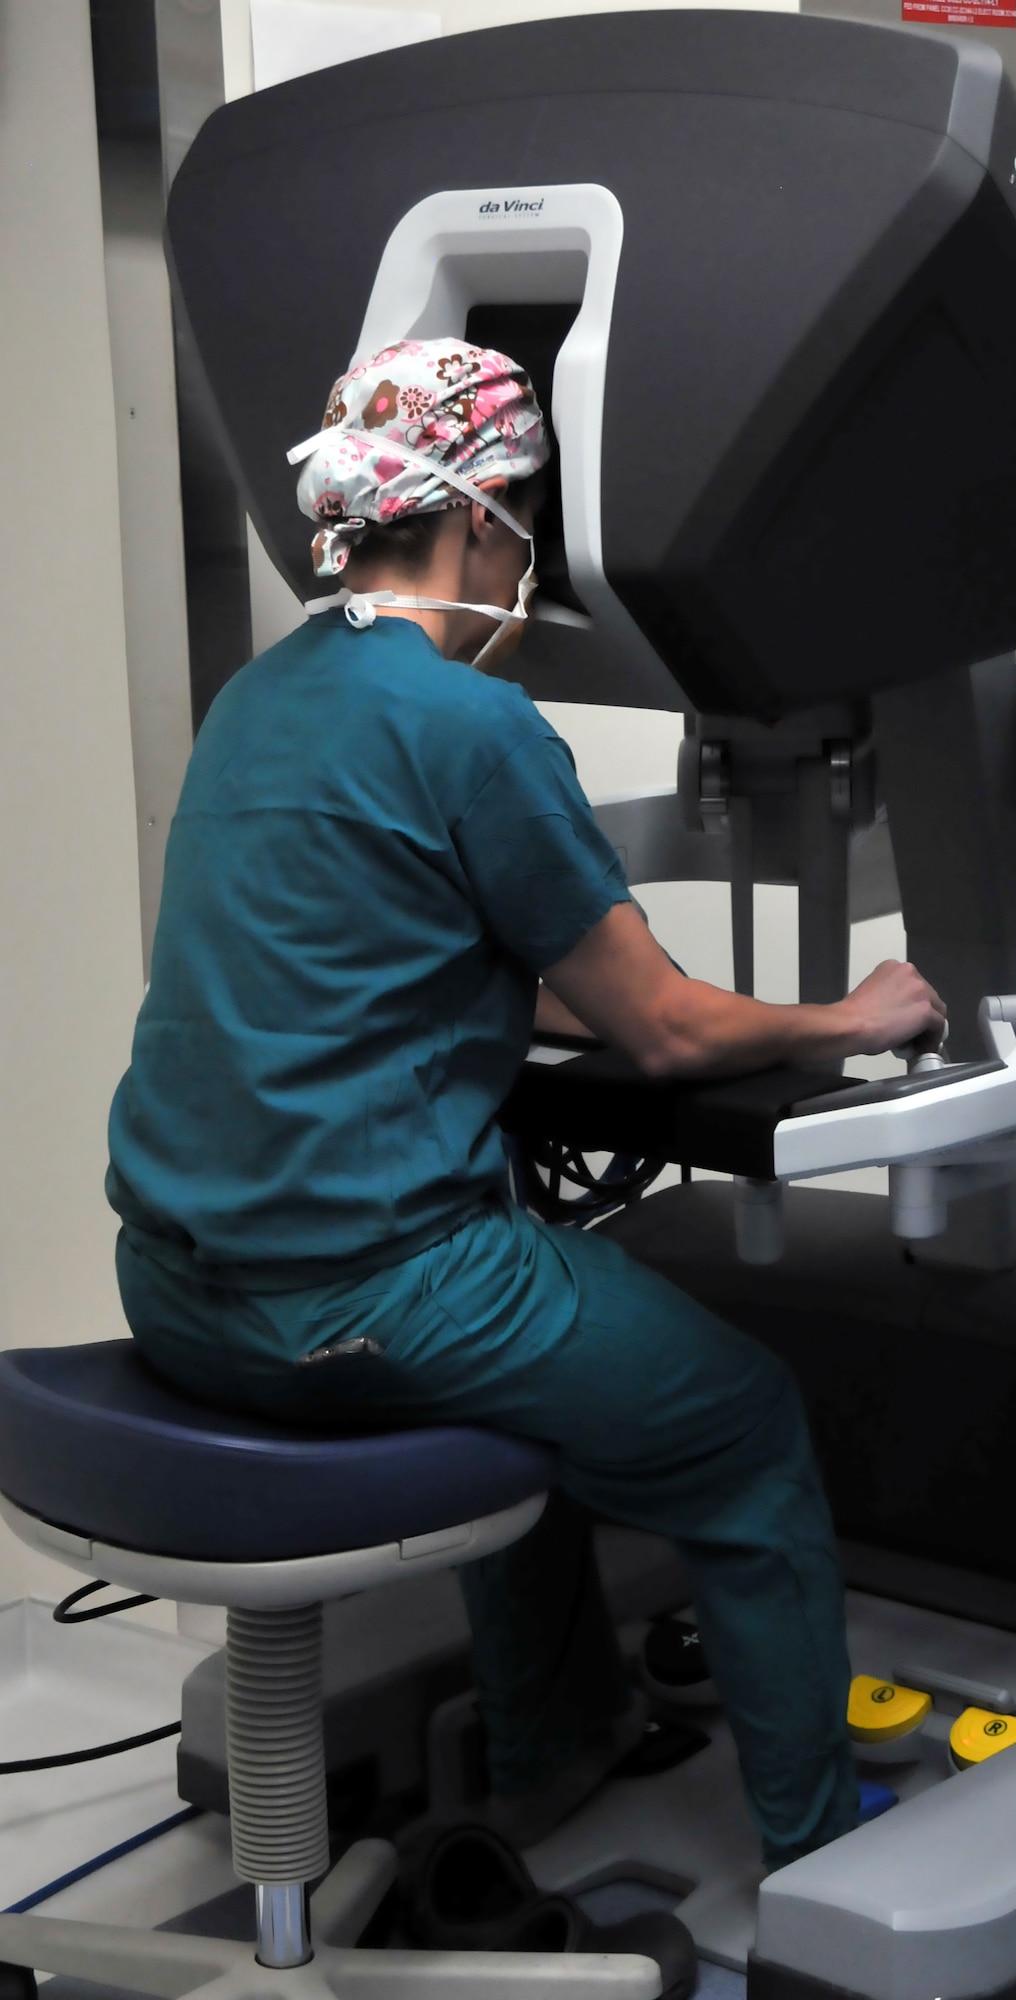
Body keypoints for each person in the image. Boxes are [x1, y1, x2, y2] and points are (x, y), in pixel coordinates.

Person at [107, 338, 945, 1876]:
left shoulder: (255, 703)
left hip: (174, 1285)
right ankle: (825, 1848)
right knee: (747, 1423)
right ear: (483, 518)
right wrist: (859, 1010)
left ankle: (555, 1747)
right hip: (353, 1295)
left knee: (536, 1359)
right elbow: (671, 1028)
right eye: (526, 521)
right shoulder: (470, 723)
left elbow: (373, 952)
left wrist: (563, 994)